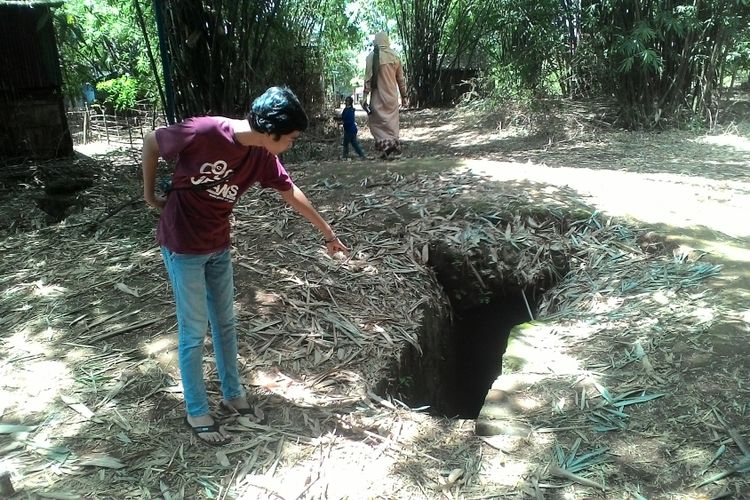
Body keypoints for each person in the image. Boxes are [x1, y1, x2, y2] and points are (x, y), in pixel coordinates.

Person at [141, 86, 348, 445]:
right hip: (182, 243)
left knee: (225, 323)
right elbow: (151, 140)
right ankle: (196, 410)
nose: (291, 146)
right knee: (193, 330)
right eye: (291, 138)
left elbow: (290, 192)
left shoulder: (263, 155)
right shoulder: (204, 131)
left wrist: (328, 233)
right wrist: (148, 194)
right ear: (271, 132)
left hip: (217, 244)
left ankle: (232, 395)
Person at [361, 32, 408, 159]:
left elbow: (368, 80)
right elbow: (401, 80)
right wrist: (404, 96)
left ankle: (386, 147)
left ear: (376, 41)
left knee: (376, 123)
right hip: (392, 97)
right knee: (391, 123)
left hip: (377, 98)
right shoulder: (395, 56)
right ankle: (391, 147)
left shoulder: (371, 57)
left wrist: (364, 96)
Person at [341, 96, 366, 160]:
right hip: (348, 129)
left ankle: (345, 156)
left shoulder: (351, 110)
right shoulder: (346, 109)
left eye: (347, 101)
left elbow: (349, 120)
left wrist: (344, 123)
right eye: (346, 101)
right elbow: (343, 117)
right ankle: (362, 155)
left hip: (350, 129)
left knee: (346, 143)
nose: (346, 102)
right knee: (354, 143)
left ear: (350, 102)